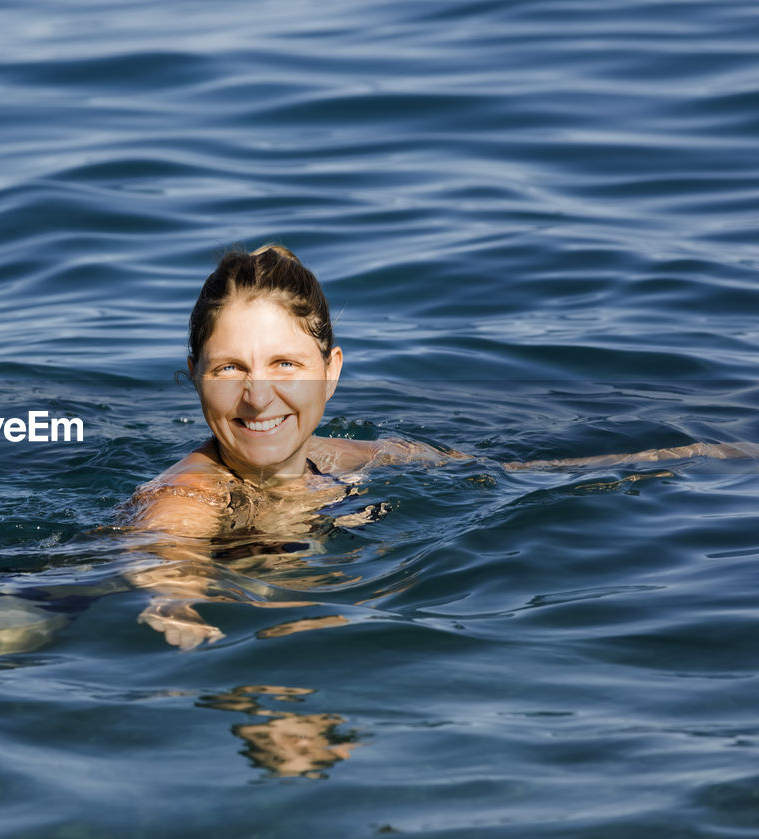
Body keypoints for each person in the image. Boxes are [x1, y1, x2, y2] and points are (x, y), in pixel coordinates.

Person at [124, 244, 751, 649]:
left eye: (285, 363)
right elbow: (164, 552)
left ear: (332, 369)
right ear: (193, 375)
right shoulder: (193, 492)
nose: (258, 396)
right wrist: (176, 604)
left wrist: (684, 457)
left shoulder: (343, 458)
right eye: (229, 368)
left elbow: (507, 472)